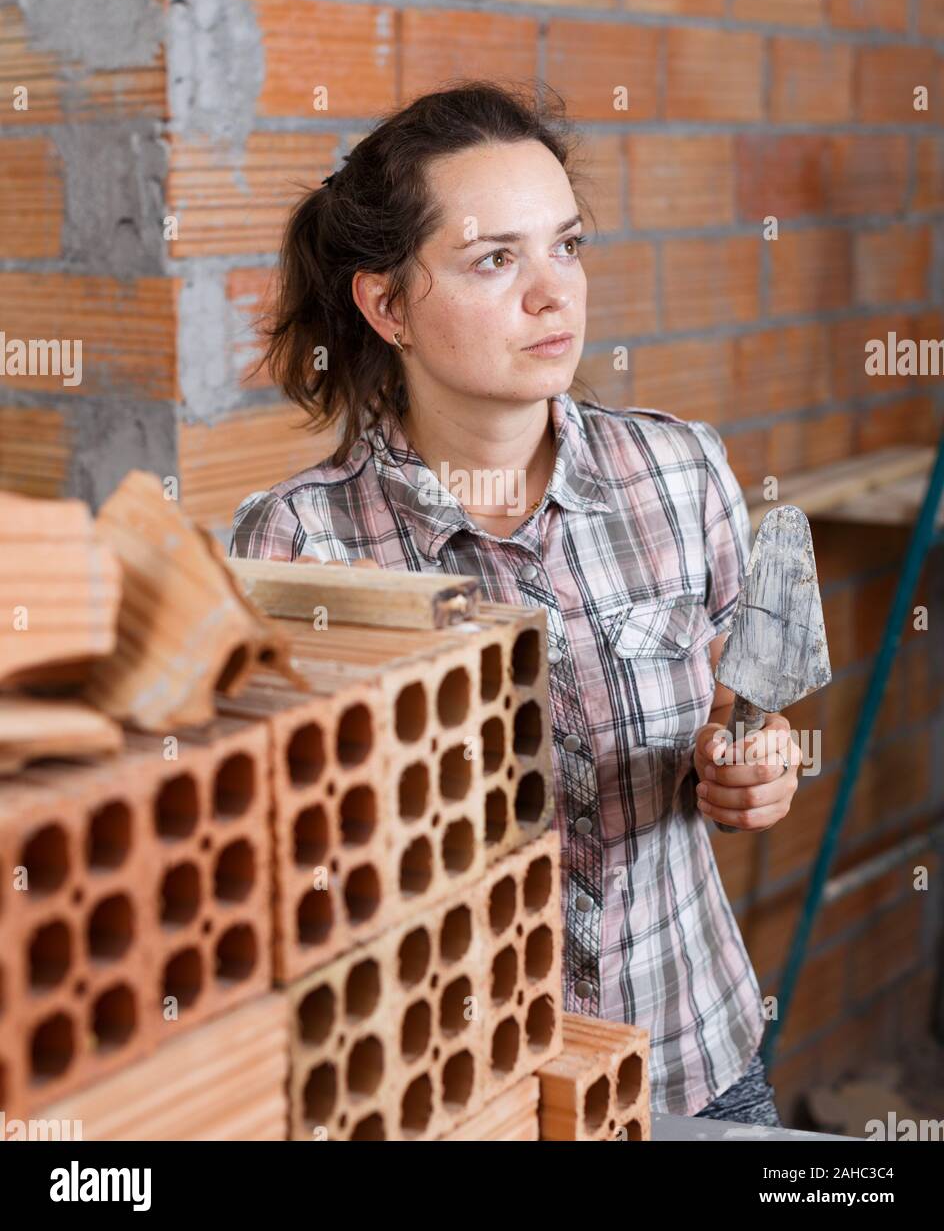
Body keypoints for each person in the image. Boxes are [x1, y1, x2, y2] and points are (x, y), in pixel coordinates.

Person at [229, 80, 800, 1124]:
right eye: (496, 258)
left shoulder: (679, 472)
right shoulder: (300, 547)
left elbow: (740, 705)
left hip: (689, 1063)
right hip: (450, 1095)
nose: (554, 296)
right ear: (386, 304)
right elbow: (274, 866)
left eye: (567, 247)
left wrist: (753, 764)